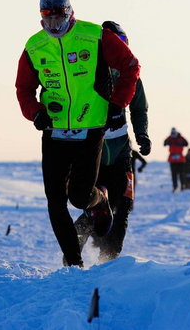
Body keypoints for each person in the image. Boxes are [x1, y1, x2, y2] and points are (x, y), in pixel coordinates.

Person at [15, 0, 141, 268]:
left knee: (79, 197)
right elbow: (23, 88)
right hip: (54, 130)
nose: (54, 23)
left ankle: (99, 200)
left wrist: (117, 104)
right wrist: (35, 113)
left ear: (69, 12)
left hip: (91, 128)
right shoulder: (35, 46)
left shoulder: (95, 36)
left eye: (59, 16)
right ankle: (73, 262)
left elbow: (131, 66)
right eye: (47, 17)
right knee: (55, 199)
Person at [73, 20, 151, 263]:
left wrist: (143, 135)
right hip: (92, 153)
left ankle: (110, 259)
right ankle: (72, 255)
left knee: (124, 207)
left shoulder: (131, 76)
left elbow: (139, 108)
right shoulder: (86, 73)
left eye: (122, 45)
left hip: (121, 154)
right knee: (93, 208)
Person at [164, 127, 189, 192]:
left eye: (174, 133)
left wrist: (181, 143)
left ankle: (183, 185)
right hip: (172, 159)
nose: (173, 134)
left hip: (180, 159)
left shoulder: (181, 138)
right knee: (174, 174)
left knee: (181, 173)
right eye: (172, 133)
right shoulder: (169, 138)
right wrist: (167, 143)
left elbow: (186, 143)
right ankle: (175, 187)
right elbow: (164, 143)